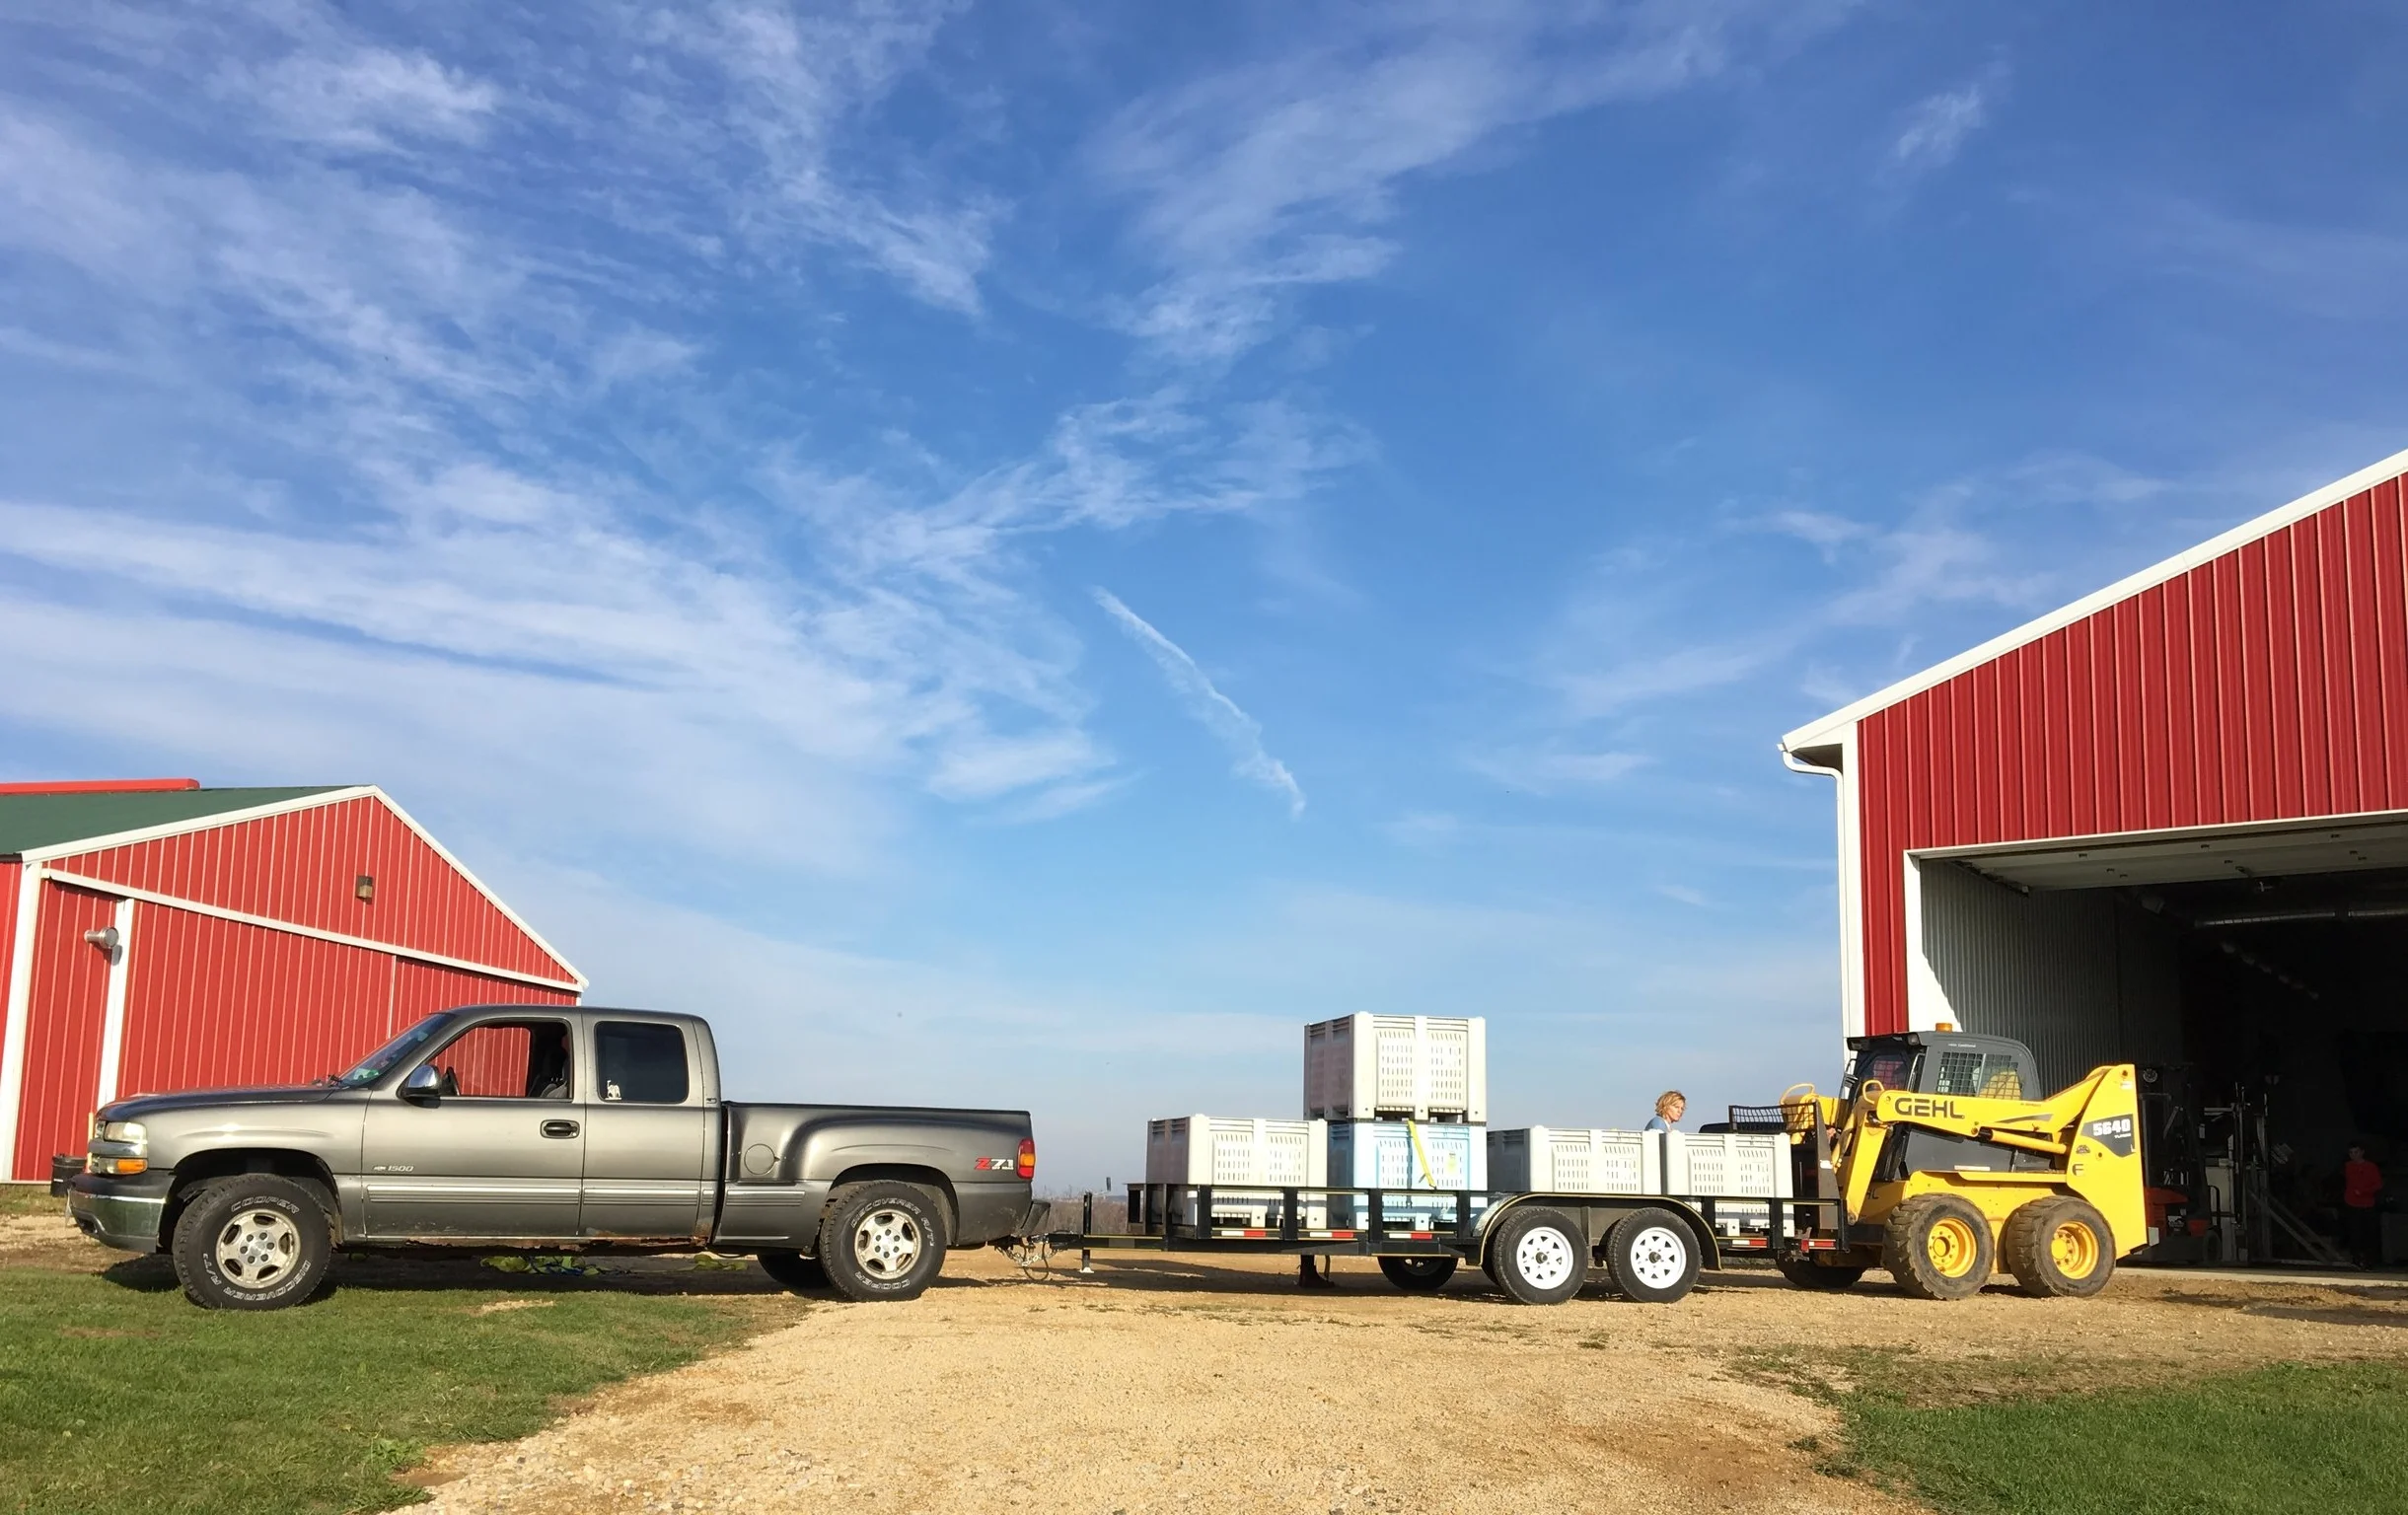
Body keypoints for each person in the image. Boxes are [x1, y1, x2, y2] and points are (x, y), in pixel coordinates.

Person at [2343, 1144, 2383, 1266]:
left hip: (2367, 1204)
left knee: (2369, 1233)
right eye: (2351, 1153)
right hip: (2352, 1203)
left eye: (2356, 1152)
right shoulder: (2348, 1166)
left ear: (2362, 1152)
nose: (2353, 1155)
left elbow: (2378, 1184)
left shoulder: (2371, 1167)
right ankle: (2356, 1259)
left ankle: (2369, 1260)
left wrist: (2364, 1191)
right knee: (2354, 1232)